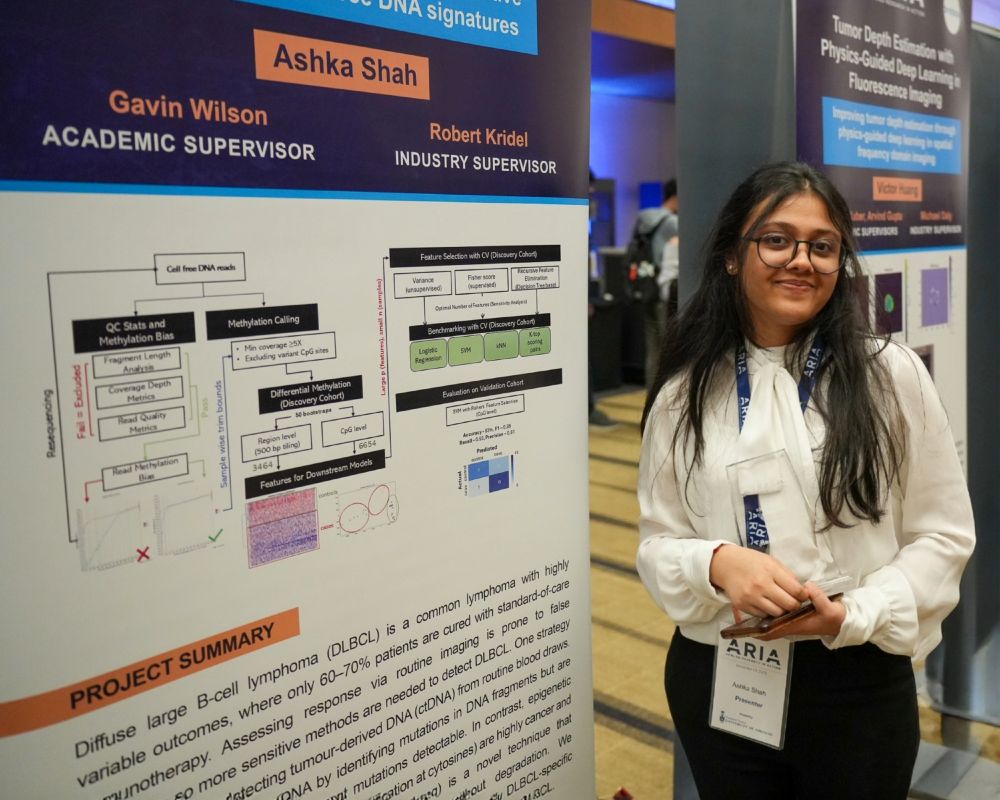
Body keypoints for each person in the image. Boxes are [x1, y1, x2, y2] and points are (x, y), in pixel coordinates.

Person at [635, 162, 974, 799]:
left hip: (855, 679)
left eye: (822, 246)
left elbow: (944, 535)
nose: (801, 260)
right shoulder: (685, 393)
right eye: (777, 239)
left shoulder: (889, 376)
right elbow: (656, 545)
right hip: (721, 671)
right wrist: (714, 563)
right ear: (735, 255)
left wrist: (855, 612)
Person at [628, 179, 679, 388]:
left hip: (645, 286)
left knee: (653, 348)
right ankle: (662, 398)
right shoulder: (673, 224)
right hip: (664, 291)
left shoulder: (644, 217)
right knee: (668, 348)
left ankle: (651, 395)